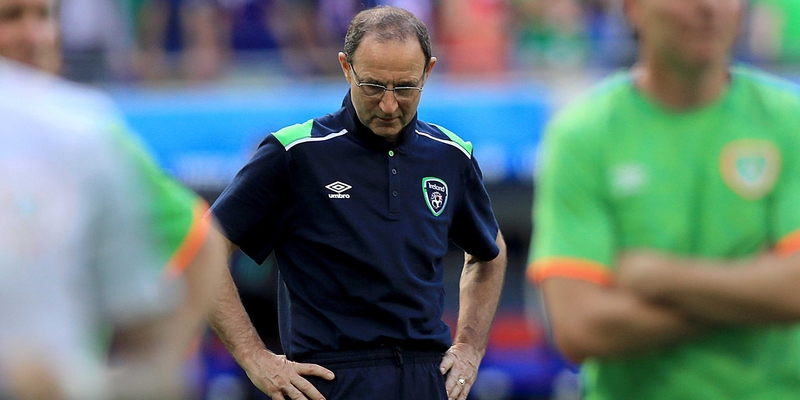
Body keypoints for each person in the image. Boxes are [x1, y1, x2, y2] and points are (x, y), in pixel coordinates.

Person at [208, 5, 507, 400]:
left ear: (428, 72)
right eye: (373, 86)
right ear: (346, 68)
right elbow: (204, 247)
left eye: (404, 88)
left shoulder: (451, 155)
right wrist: (255, 357)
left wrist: (470, 347)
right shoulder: (296, 152)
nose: (388, 104)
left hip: (426, 379)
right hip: (330, 381)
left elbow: (490, 252)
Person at [528, 0, 800, 399]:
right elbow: (578, 327)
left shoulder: (788, 120)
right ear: (632, 8)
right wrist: (755, 296)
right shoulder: (583, 136)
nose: (708, 7)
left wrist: (658, 277)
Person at [0, 0, 228, 397]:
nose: (34, 36)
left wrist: (146, 376)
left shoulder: (85, 133)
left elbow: (200, 240)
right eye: (11, 17)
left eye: (44, 17)